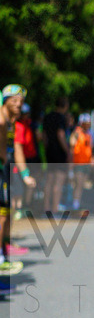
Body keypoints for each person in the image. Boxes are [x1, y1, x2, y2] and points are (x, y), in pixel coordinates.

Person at [0, 85, 29, 285]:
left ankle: (3, 252)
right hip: (2, 170)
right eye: (15, 100)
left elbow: (15, 149)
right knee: (2, 216)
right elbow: (4, 153)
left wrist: (24, 173)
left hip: (5, 171)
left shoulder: (10, 122)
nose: (19, 104)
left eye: (21, 101)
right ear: (5, 100)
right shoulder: (2, 121)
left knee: (6, 213)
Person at [42, 96, 70, 214]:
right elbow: (60, 134)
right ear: (65, 106)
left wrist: (46, 147)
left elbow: (43, 135)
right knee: (58, 181)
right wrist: (67, 151)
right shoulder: (61, 118)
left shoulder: (47, 117)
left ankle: (46, 207)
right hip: (59, 152)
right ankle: (55, 208)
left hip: (49, 152)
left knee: (49, 181)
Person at [69, 113, 94, 212]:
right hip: (78, 163)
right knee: (78, 184)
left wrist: (92, 158)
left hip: (86, 163)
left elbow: (90, 148)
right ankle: (75, 204)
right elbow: (72, 145)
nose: (88, 125)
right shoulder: (77, 132)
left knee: (82, 184)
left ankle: (77, 202)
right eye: (86, 123)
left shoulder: (88, 134)